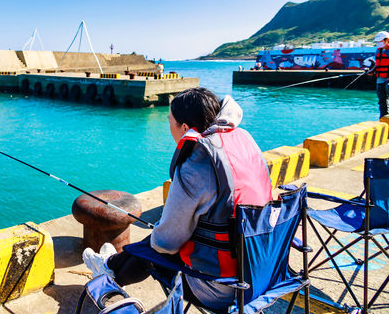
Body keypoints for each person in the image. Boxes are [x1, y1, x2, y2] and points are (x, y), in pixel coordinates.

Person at [82, 87, 272, 310]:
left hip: (221, 287)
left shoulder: (198, 162)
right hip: (264, 268)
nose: (169, 126)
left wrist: (160, 235)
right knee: (159, 235)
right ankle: (110, 265)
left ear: (184, 127)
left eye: (169, 120)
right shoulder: (243, 140)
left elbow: (167, 244)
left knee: (155, 246)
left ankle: (109, 271)